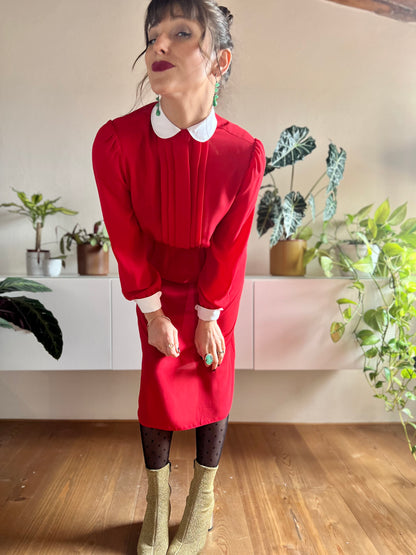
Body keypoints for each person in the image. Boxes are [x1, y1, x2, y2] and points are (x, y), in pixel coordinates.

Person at [92, 1, 265, 553]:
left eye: (181, 33)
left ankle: (202, 501)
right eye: (152, 35)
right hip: (155, 284)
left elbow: (230, 247)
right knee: (158, 388)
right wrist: (155, 313)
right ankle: (158, 501)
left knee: (213, 379)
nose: (158, 45)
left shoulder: (245, 153)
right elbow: (126, 238)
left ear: (220, 62)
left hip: (216, 287)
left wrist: (210, 316)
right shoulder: (116, 142)